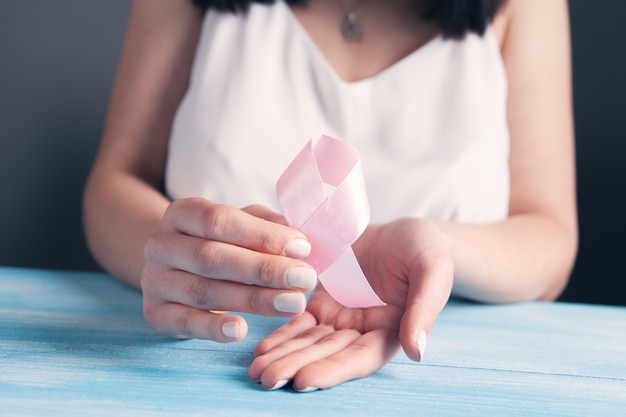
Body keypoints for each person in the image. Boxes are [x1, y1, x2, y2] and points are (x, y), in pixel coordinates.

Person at [83, 0, 577, 392]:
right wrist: (169, 250)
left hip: (458, 383)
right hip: (184, 363)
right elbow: (114, 182)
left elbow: (550, 236)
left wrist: (437, 249)